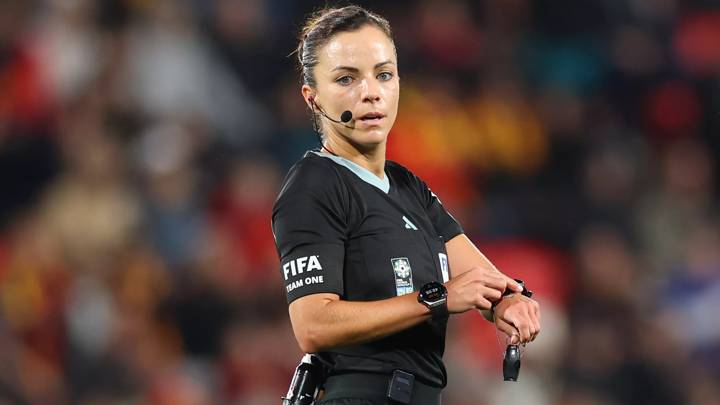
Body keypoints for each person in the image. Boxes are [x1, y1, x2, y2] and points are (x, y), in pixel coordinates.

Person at [272, 5, 541, 404]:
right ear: (312, 97)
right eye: (346, 78)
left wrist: (512, 300)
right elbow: (312, 324)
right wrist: (437, 297)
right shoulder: (315, 185)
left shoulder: (407, 186)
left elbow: (486, 282)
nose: (370, 92)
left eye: (383, 74)